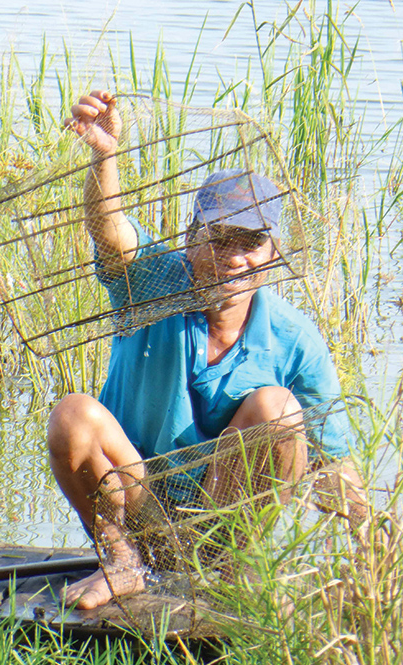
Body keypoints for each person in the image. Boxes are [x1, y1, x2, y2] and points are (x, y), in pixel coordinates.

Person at [48, 90, 366, 610]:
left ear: (273, 253)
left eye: (251, 243)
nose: (234, 259)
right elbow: (110, 233)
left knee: (278, 410)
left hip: (219, 524)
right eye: (219, 239)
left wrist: (376, 551)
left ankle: (225, 574)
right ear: (191, 240)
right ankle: (122, 563)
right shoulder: (154, 280)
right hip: (140, 500)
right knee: (71, 415)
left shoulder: (295, 339)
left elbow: (335, 464)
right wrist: (105, 157)